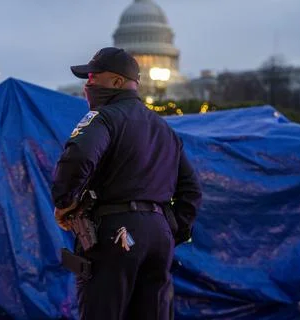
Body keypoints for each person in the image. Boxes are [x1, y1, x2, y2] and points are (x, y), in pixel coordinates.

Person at [51, 47, 202, 320]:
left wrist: (64, 202)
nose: (88, 84)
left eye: (94, 76)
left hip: (114, 231)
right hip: (159, 236)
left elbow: (79, 156)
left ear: (118, 82)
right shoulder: (164, 129)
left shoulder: (105, 117)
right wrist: (171, 231)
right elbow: (191, 190)